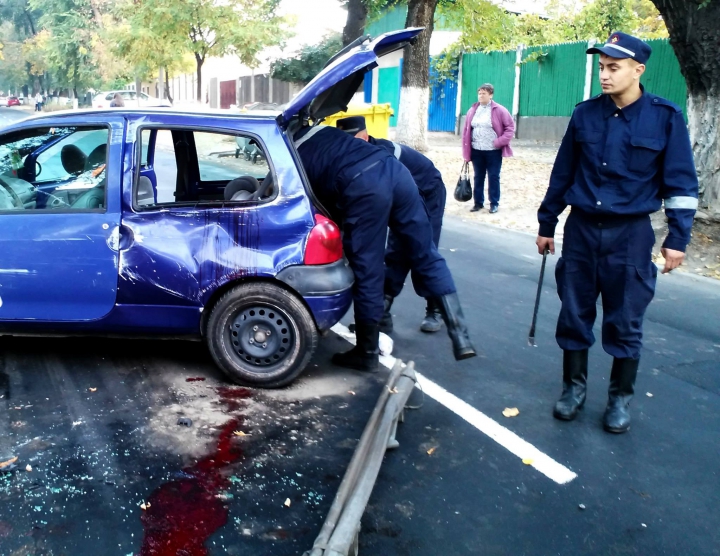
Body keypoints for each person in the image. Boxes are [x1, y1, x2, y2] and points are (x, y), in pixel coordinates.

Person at [536, 32, 698, 434]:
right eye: (602, 67)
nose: (604, 76)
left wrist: (677, 239)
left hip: (631, 234)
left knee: (625, 319)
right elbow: (563, 174)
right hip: (582, 231)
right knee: (574, 312)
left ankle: (619, 399)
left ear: (638, 70)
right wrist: (546, 222)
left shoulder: (665, 117)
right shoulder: (585, 115)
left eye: (614, 68)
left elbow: (680, 183)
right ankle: (573, 390)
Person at [293, 123, 476, 372]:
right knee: (426, 254)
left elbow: (317, 206)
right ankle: (461, 338)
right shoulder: (325, 133)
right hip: (397, 173)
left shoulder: (292, 154)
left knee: (368, 267)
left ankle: (366, 353)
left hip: (362, 184)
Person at [336, 115, 447, 334]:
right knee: (394, 254)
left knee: (421, 250)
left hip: (428, 192)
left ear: (365, 137)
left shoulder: (384, 155)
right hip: (399, 197)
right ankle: (381, 316)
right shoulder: (351, 157)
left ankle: (436, 309)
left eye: (354, 141)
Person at [462, 83, 514, 214]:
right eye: (479, 93)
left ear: (491, 95)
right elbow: (466, 130)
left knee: (493, 177)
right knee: (478, 177)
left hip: (493, 151)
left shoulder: (499, 110)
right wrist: (466, 151)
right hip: (476, 150)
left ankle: (494, 203)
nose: (481, 95)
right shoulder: (473, 109)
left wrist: (499, 142)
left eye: (484, 93)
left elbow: (510, 128)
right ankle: (478, 203)